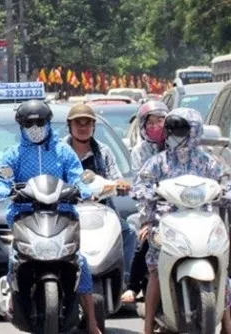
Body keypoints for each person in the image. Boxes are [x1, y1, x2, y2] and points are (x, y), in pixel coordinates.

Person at [0, 100, 101, 334]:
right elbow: (1, 180)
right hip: (25, 215)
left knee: (80, 261)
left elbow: (77, 176)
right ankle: (13, 297)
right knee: (15, 257)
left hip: (62, 214)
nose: (35, 127)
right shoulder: (13, 154)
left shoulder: (63, 151)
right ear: (20, 125)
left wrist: (81, 188)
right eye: (29, 123)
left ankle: (91, 321)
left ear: (49, 123)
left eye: (40, 122)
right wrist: (7, 190)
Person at [133, 108, 231, 334]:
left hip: (204, 222)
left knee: (222, 270)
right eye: (171, 129)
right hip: (166, 222)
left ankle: (227, 324)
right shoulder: (159, 162)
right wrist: (145, 194)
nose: (175, 134)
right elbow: (141, 183)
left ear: (194, 131)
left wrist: (225, 192)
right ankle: (148, 325)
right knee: (157, 269)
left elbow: (225, 181)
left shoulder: (210, 161)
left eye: (181, 129)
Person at [64, 104, 136, 284]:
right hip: (68, 212)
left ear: (93, 126)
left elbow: (115, 178)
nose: (82, 128)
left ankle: (123, 283)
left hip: (101, 211)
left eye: (87, 123)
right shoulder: (60, 152)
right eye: (78, 123)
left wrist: (119, 185)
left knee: (129, 232)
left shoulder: (104, 152)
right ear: (69, 126)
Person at [121, 100, 169, 304]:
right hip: (151, 207)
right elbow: (141, 183)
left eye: (161, 121)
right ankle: (133, 286)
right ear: (143, 125)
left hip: (179, 205)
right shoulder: (140, 152)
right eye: (151, 122)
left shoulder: (177, 145)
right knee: (145, 239)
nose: (157, 126)